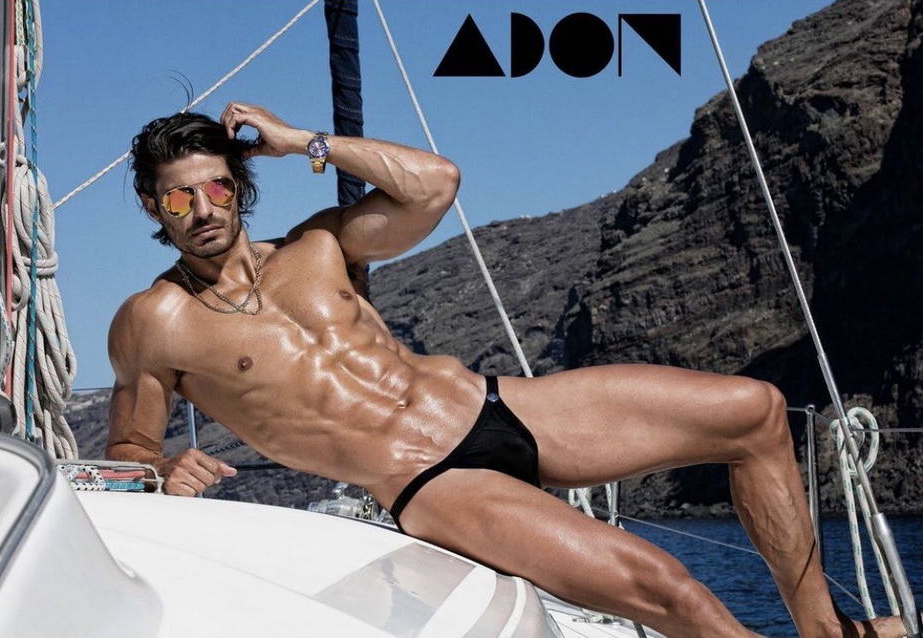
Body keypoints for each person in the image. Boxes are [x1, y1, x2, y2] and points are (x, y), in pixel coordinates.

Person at [106, 102, 905, 638]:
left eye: (215, 187)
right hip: (431, 481)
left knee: (754, 411)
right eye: (177, 200)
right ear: (152, 207)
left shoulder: (318, 244)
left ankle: (824, 633)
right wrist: (165, 469)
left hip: (496, 404)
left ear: (239, 185)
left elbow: (436, 183)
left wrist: (300, 141)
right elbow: (127, 458)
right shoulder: (154, 321)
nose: (201, 211)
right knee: (669, 590)